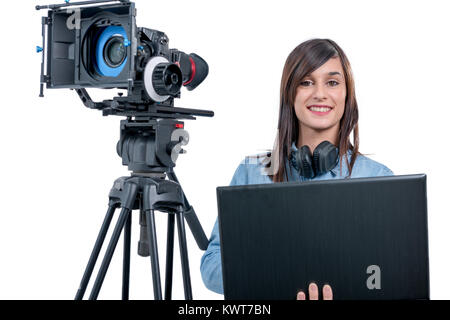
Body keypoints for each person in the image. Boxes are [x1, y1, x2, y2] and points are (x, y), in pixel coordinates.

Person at [200, 38, 394, 300]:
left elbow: (390, 275)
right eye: (306, 82)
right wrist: (278, 275)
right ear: (290, 93)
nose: (320, 94)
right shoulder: (252, 172)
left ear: (347, 95)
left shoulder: (377, 179)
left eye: (333, 82)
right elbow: (211, 267)